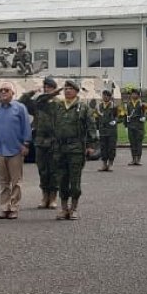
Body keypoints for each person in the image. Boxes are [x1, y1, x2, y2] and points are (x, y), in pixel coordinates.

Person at [0, 81, 31, 220]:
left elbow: (26, 127)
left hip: (15, 150)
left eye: (7, 90)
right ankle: (4, 207)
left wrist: (25, 144)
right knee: (3, 181)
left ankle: (14, 207)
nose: (3, 92)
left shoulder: (20, 108)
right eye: (1, 90)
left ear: (13, 93)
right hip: (0, 150)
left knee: (16, 181)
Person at [50, 80, 94, 220]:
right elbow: (40, 105)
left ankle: (74, 208)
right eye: (65, 88)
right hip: (60, 148)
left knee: (74, 180)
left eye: (70, 88)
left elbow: (91, 126)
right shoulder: (58, 106)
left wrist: (91, 145)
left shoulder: (83, 107)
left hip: (76, 148)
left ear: (76, 91)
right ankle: (64, 209)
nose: (67, 90)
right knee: (62, 179)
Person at [21, 77, 59, 209]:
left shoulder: (58, 104)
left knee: (53, 170)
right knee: (42, 170)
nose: (47, 89)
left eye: (49, 87)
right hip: (40, 140)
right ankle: (44, 196)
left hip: (54, 141)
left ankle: (53, 197)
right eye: (45, 87)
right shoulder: (38, 103)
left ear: (54, 89)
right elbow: (22, 101)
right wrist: (32, 91)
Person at [93, 89, 121, 172]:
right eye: (103, 95)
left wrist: (115, 121)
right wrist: (97, 128)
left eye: (106, 95)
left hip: (111, 130)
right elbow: (96, 117)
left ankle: (110, 163)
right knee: (103, 147)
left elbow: (120, 116)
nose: (105, 97)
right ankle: (104, 164)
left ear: (110, 97)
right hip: (102, 130)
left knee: (111, 147)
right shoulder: (99, 106)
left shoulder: (114, 106)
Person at [123, 89, 147, 166]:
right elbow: (126, 115)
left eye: (135, 94)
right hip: (131, 125)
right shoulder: (128, 104)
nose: (133, 95)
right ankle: (133, 158)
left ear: (138, 95)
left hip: (139, 126)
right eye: (132, 94)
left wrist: (145, 118)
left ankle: (138, 159)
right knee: (132, 143)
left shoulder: (142, 104)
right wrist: (125, 126)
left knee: (139, 143)